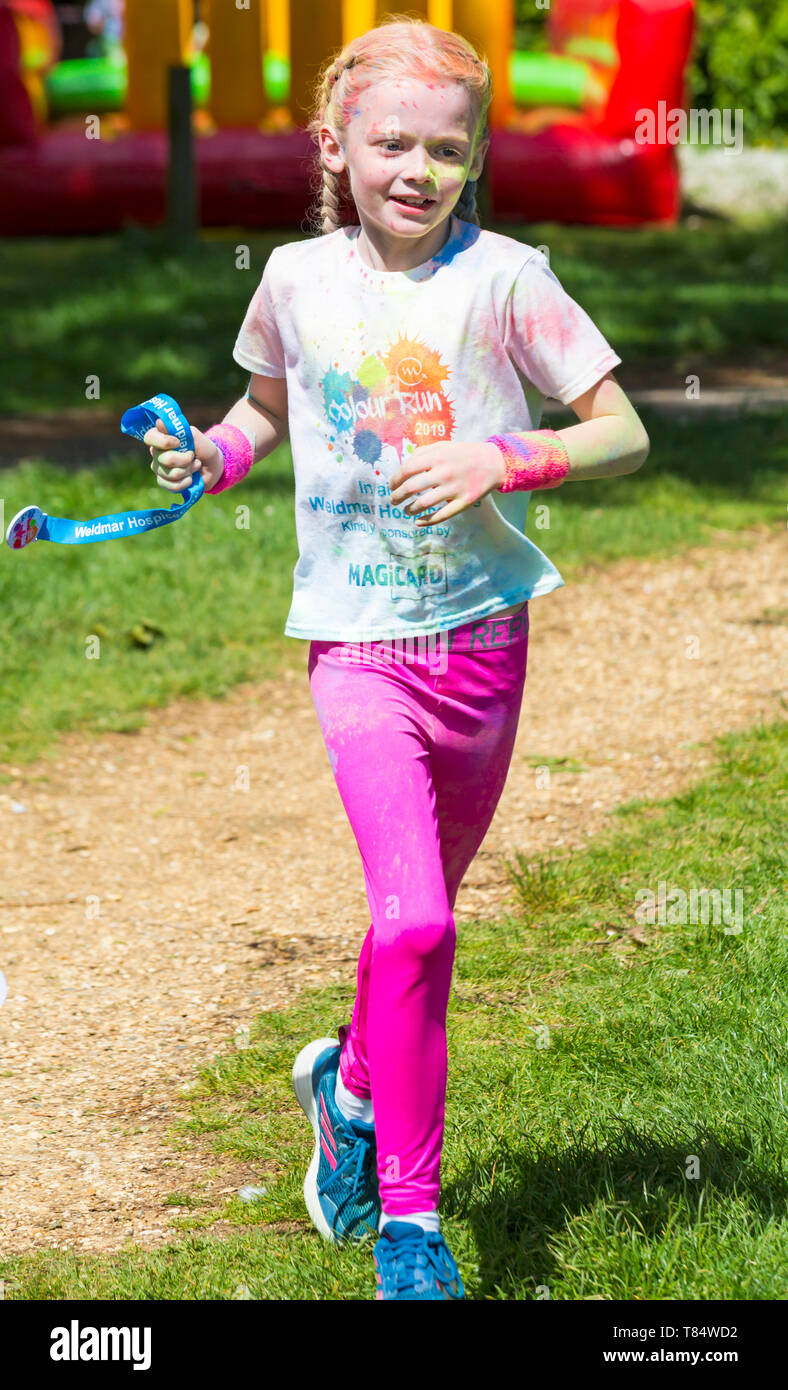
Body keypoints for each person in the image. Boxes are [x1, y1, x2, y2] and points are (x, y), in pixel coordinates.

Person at [142, 15, 650, 1301]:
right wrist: (207, 457)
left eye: (445, 149)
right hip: (356, 646)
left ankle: (350, 1086)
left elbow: (623, 432)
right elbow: (265, 407)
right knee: (414, 914)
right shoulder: (296, 281)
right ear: (336, 147)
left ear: (472, 158)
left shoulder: (510, 279)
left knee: (413, 932)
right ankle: (412, 1230)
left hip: (482, 646)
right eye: (390, 145)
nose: (417, 171)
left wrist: (507, 454)